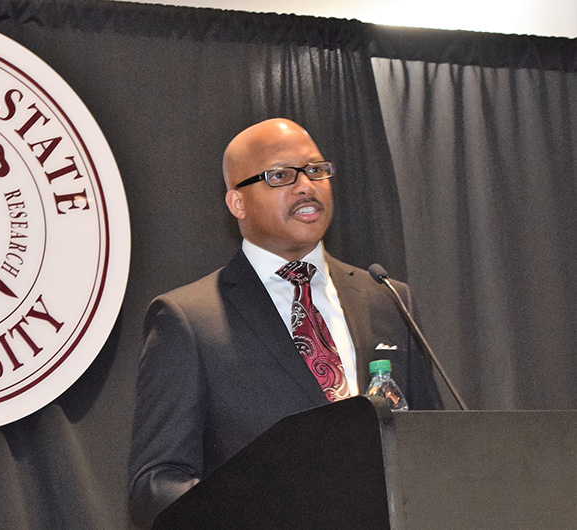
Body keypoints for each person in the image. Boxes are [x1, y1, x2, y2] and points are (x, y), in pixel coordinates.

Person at [128, 118, 442, 528]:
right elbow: (154, 486)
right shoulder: (189, 319)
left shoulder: (387, 297)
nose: (306, 185)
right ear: (237, 203)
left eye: (315, 170)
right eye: (280, 175)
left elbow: (435, 443)